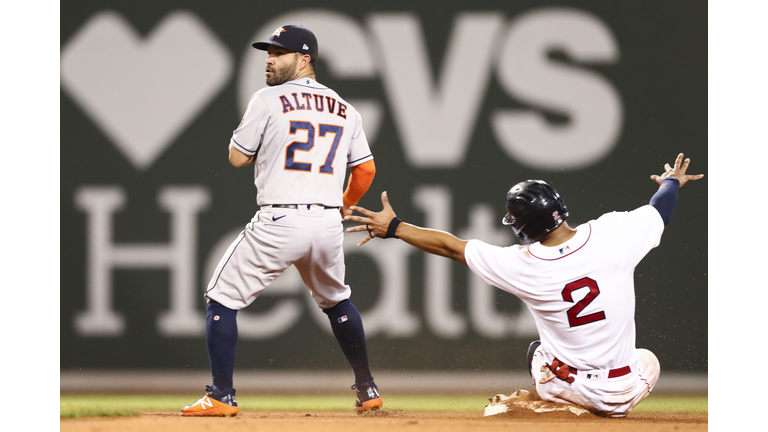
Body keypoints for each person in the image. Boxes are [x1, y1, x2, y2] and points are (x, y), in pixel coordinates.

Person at [344, 153, 703, 418]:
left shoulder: (523, 264)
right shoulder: (613, 233)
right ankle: (597, 405)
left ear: (520, 227)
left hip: (574, 386)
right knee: (647, 358)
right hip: (624, 390)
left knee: (538, 351)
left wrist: (395, 227)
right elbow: (661, 210)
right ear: (560, 207)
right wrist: (671, 180)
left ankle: (553, 408)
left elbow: (451, 247)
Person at [181, 24, 382, 416]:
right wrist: (344, 204)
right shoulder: (346, 109)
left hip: (280, 219)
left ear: (304, 59)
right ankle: (367, 386)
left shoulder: (267, 99)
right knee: (337, 301)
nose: (269, 60)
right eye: (268, 53)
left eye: (279, 53)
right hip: (326, 225)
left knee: (221, 297)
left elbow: (238, 157)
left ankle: (221, 395)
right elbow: (366, 171)